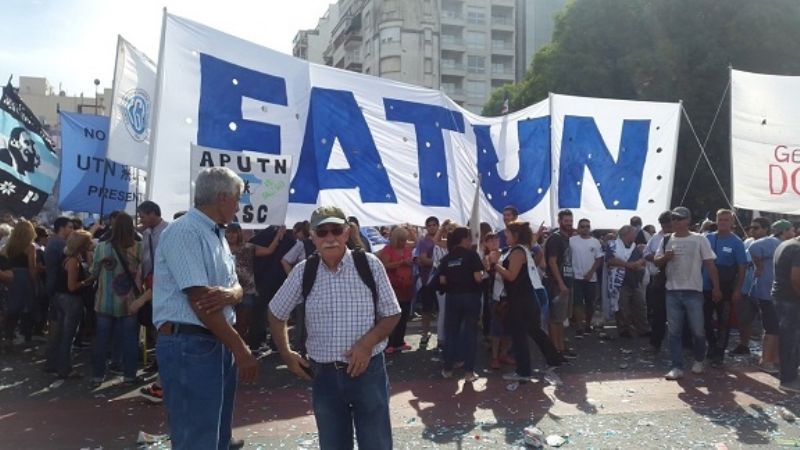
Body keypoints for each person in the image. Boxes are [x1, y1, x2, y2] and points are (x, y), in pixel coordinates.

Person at [268, 206, 401, 450]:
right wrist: (286, 354)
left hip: (368, 372)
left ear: (347, 232)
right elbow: (276, 312)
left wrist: (366, 344)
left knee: (376, 444)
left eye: (336, 230)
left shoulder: (369, 264)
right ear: (312, 236)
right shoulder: (304, 271)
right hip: (324, 376)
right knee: (333, 445)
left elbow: (392, 313)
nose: (330, 238)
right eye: (322, 232)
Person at [153, 167, 256, 450]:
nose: (239, 206)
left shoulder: (215, 233)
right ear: (222, 197)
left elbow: (236, 288)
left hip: (211, 342)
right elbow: (201, 300)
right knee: (198, 436)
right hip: (191, 344)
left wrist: (230, 294)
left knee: (215, 433)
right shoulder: (185, 231)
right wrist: (240, 348)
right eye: (237, 199)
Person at [492, 221, 563, 381]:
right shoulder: (519, 249)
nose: (505, 236)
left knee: (520, 335)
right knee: (534, 331)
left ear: (516, 235)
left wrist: (494, 265)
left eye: (508, 234)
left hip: (521, 300)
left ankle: (524, 371)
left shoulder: (518, 252)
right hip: (525, 298)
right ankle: (554, 359)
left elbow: (511, 276)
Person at [656, 206, 721, 380]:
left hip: (693, 291)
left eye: (680, 218)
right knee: (674, 332)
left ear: (688, 220)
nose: (676, 222)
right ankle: (677, 366)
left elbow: (710, 264)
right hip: (672, 291)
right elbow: (656, 260)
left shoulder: (699, 239)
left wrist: (716, 287)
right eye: (674, 219)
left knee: (698, 330)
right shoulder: (667, 239)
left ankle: (699, 359)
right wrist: (665, 258)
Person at [90, 212, 148, 386]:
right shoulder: (139, 247)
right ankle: (129, 376)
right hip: (129, 301)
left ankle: (97, 376)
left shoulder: (102, 247)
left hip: (104, 300)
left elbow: (94, 272)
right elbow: (145, 272)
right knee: (130, 340)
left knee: (102, 339)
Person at [744, 219, 794, 373]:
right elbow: (753, 248)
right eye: (791, 230)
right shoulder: (772, 241)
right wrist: (758, 266)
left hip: (773, 293)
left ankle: (774, 358)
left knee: (776, 328)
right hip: (767, 293)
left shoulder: (781, 243)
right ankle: (766, 361)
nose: (794, 233)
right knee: (772, 328)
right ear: (783, 231)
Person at [225, 223, 286, 349]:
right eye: (228, 232)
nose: (231, 235)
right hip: (226, 289)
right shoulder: (220, 248)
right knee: (226, 322)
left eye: (234, 232)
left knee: (243, 323)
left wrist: (278, 235)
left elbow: (269, 250)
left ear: (239, 233)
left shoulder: (249, 247)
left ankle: (240, 349)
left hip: (246, 290)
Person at [45, 230, 94, 379]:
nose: (91, 244)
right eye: (88, 242)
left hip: (60, 298)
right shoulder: (73, 261)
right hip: (70, 300)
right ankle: (64, 368)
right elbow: (72, 286)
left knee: (58, 334)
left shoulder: (68, 257)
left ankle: (52, 364)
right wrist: (87, 281)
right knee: (67, 336)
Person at [437, 227, 484, 381]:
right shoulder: (472, 255)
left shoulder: (447, 257)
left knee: (451, 333)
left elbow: (442, 280)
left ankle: (447, 368)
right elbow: (478, 278)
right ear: (464, 239)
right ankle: (469, 372)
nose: (471, 240)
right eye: (469, 237)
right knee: (470, 334)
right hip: (471, 296)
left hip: (452, 297)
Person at [701, 209, 747, 368]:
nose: (723, 222)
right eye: (720, 219)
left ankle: (719, 354)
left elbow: (742, 268)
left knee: (723, 322)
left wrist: (737, 290)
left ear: (732, 222)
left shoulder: (737, 242)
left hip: (726, 288)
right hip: (706, 287)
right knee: (704, 320)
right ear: (716, 220)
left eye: (726, 220)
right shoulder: (708, 238)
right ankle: (712, 345)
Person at [607, 225, 650, 339]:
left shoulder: (635, 247)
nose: (635, 236)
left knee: (640, 305)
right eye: (633, 233)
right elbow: (610, 260)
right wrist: (628, 265)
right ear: (626, 234)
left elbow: (643, 259)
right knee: (623, 308)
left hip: (635, 281)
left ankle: (643, 329)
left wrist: (638, 263)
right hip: (620, 282)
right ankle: (624, 330)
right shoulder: (613, 246)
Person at [1, 220, 39, 350]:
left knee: (12, 307)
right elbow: (32, 268)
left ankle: (9, 336)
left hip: (11, 276)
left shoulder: (9, 245)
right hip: (24, 277)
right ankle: (26, 336)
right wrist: (35, 283)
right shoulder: (30, 247)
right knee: (27, 306)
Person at [544, 209, 576, 358]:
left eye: (571, 221)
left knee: (562, 318)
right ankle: (555, 349)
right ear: (560, 221)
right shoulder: (555, 239)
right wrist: (561, 283)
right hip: (556, 284)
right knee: (555, 319)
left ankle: (561, 347)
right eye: (566, 221)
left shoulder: (566, 238)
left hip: (566, 281)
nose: (569, 223)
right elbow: (552, 261)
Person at [379, 226, 414, 354]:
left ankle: (399, 342)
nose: (404, 242)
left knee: (404, 316)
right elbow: (384, 266)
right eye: (402, 240)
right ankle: (389, 343)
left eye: (405, 240)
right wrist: (401, 262)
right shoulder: (387, 250)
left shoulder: (407, 249)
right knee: (392, 316)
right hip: (393, 287)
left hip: (406, 287)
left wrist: (410, 262)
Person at [643, 211, 673, 352]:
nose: (666, 226)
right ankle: (655, 343)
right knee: (658, 312)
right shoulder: (656, 238)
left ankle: (686, 344)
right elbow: (646, 253)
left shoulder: (682, 237)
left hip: (678, 278)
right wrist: (657, 258)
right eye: (663, 224)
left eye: (669, 223)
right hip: (659, 278)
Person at [774, 231, 800, 392]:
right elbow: (796, 278)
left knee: (790, 339)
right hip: (790, 300)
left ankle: (790, 375)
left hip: (783, 297)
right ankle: (788, 379)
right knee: (791, 341)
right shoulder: (797, 249)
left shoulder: (786, 244)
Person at [569, 218, 603, 337]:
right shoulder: (571, 241)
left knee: (590, 303)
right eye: (582, 226)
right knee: (577, 303)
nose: (585, 228)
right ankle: (579, 326)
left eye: (587, 226)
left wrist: (591, 272)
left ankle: (588, 325)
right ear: (578, 228)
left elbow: (599, 259)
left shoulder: (595, 242)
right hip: (576, 277)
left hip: (591, 278)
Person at [414, 216, 439, 348]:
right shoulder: (423, 242)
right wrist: (438, 263)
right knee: (426, 309)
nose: (432, 227)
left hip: (442, 280)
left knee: (441, 309)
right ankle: (424, 334)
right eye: (429, 225)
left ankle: (442, 335)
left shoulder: (444, 240)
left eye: (434, 225)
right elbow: (422, 259)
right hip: (427, 280)